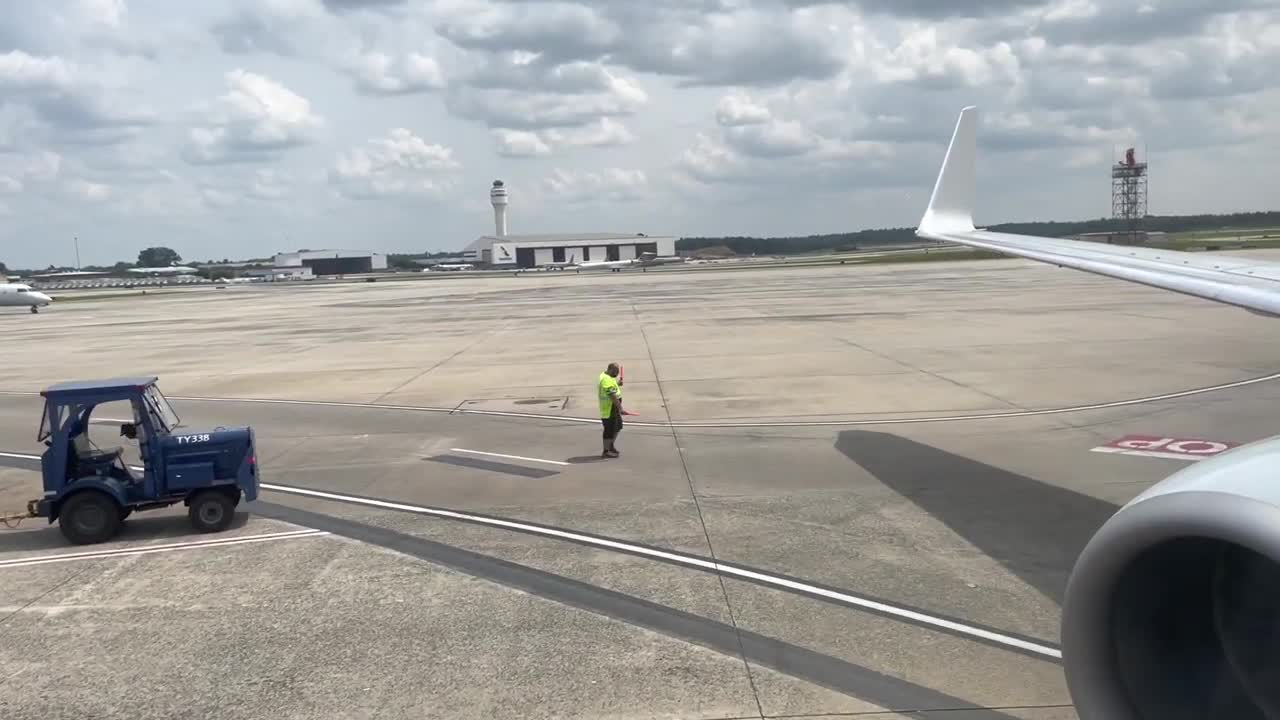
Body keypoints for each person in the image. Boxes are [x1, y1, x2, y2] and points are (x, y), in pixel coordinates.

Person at [598, 362, 623, 458]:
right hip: (609, 409)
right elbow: (612, 395)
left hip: (613, 408)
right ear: (610, 369)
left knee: (618, 426)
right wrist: (620, 408)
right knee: (609, 430)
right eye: (616, 372)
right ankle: (606, 450)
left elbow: (610, 388)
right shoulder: (605, 379)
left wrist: (617, 384)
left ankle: (610, 445)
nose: (616, 375)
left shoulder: (606, 376)